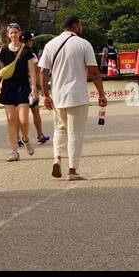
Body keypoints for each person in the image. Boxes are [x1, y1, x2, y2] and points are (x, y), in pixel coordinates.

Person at [38, 15, 105, 181]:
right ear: (75, 25)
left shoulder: (50, 44)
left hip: (58, 95)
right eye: (80, 25)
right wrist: (101, 94)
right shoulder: (84, 44)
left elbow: (43, 72)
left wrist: (46, 95)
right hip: (77, 95)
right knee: (75, 132)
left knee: (59, 128)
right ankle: (72, 170)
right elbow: (94, 73)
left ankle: (57, 158)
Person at [0, 23, 38, 162]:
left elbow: (32, 70)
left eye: (16, 32)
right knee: (11, 120)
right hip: (8, 88)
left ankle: (25, 138)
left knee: (23, 120)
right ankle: (14, 152)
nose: (14, 35)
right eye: (11, 33)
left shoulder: (26, 50)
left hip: (23, 87)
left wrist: (34, 89)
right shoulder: (4, 50)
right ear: (8, 35)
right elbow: (0, 71)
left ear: (20, 33)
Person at [21, 31, 50, 147]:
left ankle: (19, 138)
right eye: (31, 40)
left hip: (18, 87)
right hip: (30, 87)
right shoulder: (31, 55)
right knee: (35, 112)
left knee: (20, 113)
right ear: (29, 41)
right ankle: (39, 135)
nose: (32, 42)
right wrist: (41, 89)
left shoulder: (14, 52)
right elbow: (37, 73)